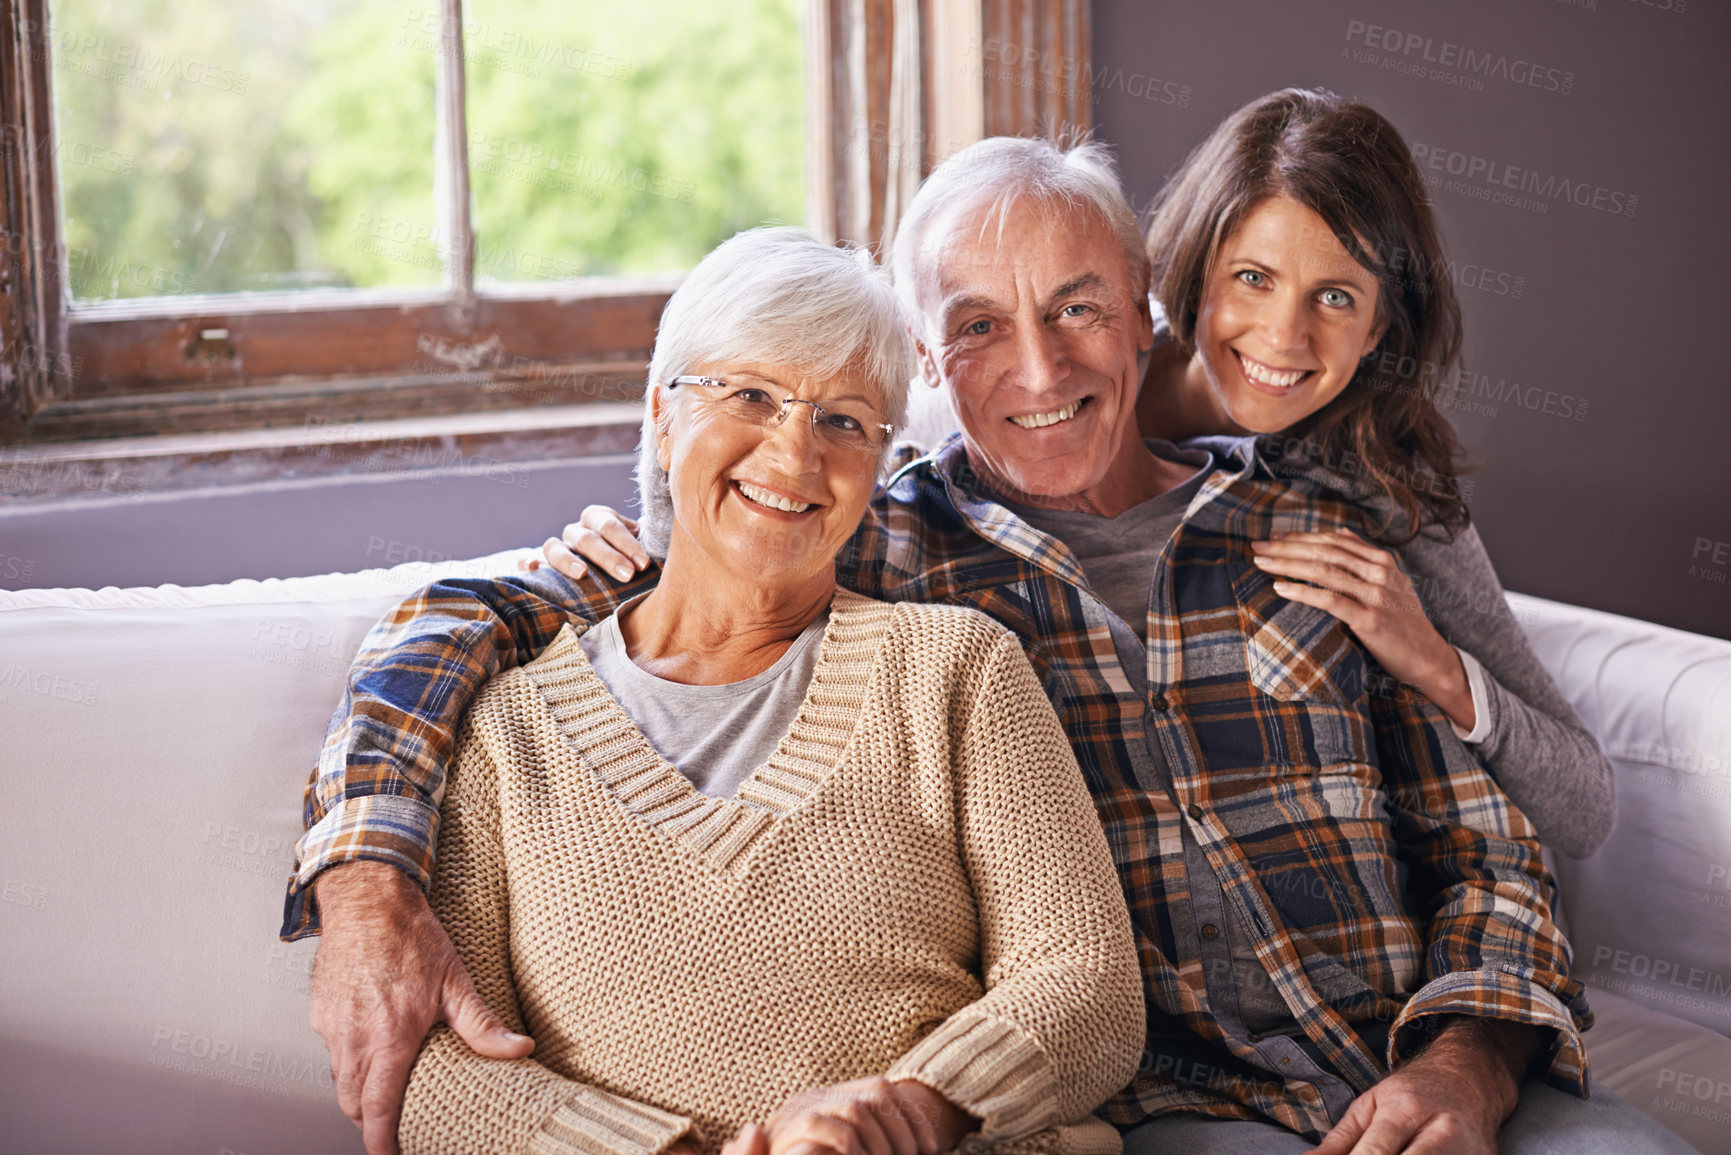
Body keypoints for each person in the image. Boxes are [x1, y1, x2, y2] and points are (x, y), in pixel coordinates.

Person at [287, 136, 1688, 1154]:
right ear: (924, 364)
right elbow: (467, 621)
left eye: (1078, 306)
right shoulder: (869, 546)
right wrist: (363, 870)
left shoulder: (1320, 526)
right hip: (1183, 1109)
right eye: (976, 326)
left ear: (1144, 309)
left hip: (1423, 1055)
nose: (1038, 366)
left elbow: (1496, 842)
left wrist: (1467, 1060)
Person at [562, 89, 1613, 861]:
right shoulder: (930, 471)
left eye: (1336, 297)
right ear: (1184, 285)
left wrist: (1430, 658)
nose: (1283, 335)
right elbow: (738, 524)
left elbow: (1537, 822)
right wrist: (617, 558)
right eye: (1252, 279)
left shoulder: (1366, 495)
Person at [386, 226, 1144, 1155]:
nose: (793, 455)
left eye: (842, 420)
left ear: (877, 463)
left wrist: (902, 1112)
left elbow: (1085, 983)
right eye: (749, 395)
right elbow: (437, 1075)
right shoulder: (506, 730)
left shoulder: (957, 668)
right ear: (664, 418)